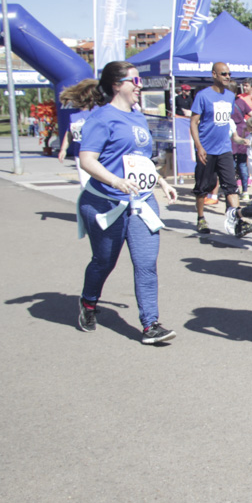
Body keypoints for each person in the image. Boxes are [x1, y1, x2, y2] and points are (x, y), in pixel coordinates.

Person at [75, 61, 179, 343]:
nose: (139, 86)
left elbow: (141, 161)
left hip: (141, 204)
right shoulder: (101, 118)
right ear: (117, 85)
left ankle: (150, 324)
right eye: (134, 81)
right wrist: (115, 181)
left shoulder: (138, 117)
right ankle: (88, 302)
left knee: (146, 263)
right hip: (105, 204)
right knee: (104, 261)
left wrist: (161, 181)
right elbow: (87, 160)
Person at [189, 62, 252, 239]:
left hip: (224, 149)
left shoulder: (230, 96)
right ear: (214, 75)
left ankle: (236, 221)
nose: (227, 77)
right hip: (207, 148)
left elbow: (228, 122)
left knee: (231, 186)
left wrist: (238, 138)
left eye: (229, 74)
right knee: (202, 186)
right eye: (223, 74)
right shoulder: (203, 96)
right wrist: (199, 146)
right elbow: (194, 122)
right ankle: (201, 218)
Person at [58, 79, 106, 188]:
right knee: (85, 183)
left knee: (101, 181)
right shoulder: (74, 116)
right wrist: (63, 149)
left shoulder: (100, 111)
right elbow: (69, 133)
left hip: (99, 152)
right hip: (80, 153)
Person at [232, 79, 252, 200]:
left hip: (231, 135)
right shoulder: (241, 102)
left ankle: (233, 190)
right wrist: (248, 123)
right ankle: (245, 191)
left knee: (231, 164)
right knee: (242, 164)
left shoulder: (226, 103)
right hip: (243, 132)